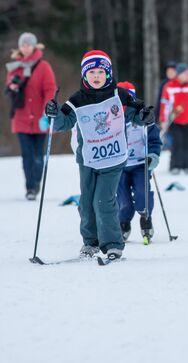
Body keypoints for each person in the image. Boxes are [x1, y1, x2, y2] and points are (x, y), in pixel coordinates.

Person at [44, 50, 155, 261]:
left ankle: (113, 244)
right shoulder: (77, 99)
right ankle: (90, 242)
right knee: (86, 202)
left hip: (113, 157)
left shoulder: (120, 95)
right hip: (87, 159)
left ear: (108, 74)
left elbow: (138, 113)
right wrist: (53, 113)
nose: (96, 76)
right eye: (92, 72)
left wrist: (146, 115)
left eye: (101, 72)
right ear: (85, 75)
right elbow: (62, 123)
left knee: (103, 200)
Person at [5, 32, 56, 200]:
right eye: (22, 45)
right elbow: (9, 87)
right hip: (21, 118)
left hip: (40, 118)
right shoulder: (15, 67)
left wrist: (47, 111)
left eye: (28, 45)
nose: (25, 47)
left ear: (34, 46)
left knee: (37, 156)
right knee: (27, 155)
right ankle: (30, 188)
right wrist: (13, 87)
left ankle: (36, 182)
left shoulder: (44, 67)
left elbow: (50, 89)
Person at [116, 81, 162, 244]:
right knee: (124, 201)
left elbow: (155, 140)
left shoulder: (143, 117)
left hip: (140, 164)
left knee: (143, 194)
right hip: (119, 166)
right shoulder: (112, 118)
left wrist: (153, 156)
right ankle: (123, 223)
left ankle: (145, 218)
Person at [159, 63, 188, 174]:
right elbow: (165, 104)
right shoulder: (169, 86)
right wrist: (164, 119)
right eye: (187, 73)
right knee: (177, 142)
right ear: (179, 74)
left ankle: (185, 166)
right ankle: (175, 166)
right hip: (175, 120)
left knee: (187, 143)